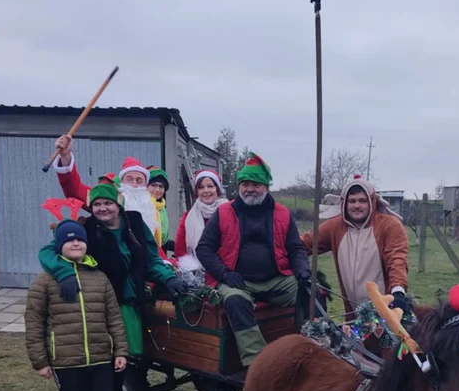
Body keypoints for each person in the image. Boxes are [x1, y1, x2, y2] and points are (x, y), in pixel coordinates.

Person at [37, 182, 186, 391]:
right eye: (97, 204)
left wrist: (167, 277)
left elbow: (150, 258)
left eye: (107, 203)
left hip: (130, 306)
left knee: (129, 366)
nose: (102, 209)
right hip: (99, 307)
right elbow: (48, 252)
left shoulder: (135, 224)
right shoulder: (86, 229)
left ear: (119, 204)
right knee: (103, 369)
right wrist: (64, 272)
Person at [24, 219, 141, 391]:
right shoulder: (45, 282)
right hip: (67, 362)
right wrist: (40, 361)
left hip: (101, 359)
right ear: (60, 245)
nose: (75, 243)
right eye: (69, 239)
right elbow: (34, 322)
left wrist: (120, 350)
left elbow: (113, 316)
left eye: (80, 239)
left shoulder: (99, 278)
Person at [195, 153, 311, 368]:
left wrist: (303, 270)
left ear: (266, 186)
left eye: (256, 184)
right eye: (246, 184)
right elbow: (204, 249)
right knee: (235, 301)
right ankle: (258, 365)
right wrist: (225, 274)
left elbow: (295, 248)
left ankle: (309, 349)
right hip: (237, 281)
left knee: (310, 291)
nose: (250, 189)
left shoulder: (283, 214)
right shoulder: (223, 213)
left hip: (277, 279)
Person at [300, 174, 411, 319]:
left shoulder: (389, 226)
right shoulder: (335, 227)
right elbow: (304, 243)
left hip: (387, 314)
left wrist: (398, 292)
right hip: (353, 318)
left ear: (372, 202)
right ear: (344, 203)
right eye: (352, 201)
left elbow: (396, 261)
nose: (357, 206)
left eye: (362, 201)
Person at [51, 135, 167, 261]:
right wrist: (66, 157)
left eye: (139, 180)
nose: (134, 184)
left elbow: (151, 244)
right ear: (121, 182)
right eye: (129, 179)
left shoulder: (150, 208)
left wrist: (167, 262)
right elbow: (74, 189)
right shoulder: (107, 199)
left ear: (145, 185)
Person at [173, 169, 229, 287]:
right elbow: (180, 250)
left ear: (217, 189)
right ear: (196, 191)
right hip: (198, 274)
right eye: (201, 187)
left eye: (210, 186)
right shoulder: (188, 218)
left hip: (226, 271)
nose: (206, 191)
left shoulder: (230, 213)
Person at [146, 166, 174, 252]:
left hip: (160, 251)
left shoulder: (161, 206)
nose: (157, 189)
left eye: (161, 186)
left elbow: (162, 238)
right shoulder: (143, 207)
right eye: (153, 185)